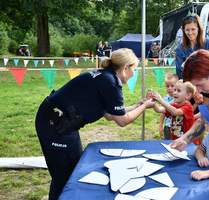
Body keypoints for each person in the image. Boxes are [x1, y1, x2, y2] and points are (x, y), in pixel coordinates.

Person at [35, 48, 155, 200]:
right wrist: (144, 107)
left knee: (74, 170)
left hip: (60, 122)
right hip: (54, 124)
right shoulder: (110, 82)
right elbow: (122, 120)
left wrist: (138, 104)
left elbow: (110, 114)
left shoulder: (106, 76)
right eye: (135, 69)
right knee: (65, 177)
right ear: (126, 68)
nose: (134, 74)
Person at [175, 14, 209, 79]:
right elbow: (179, 71)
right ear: (183, 30)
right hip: (188, 84)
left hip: (205, 82)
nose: (190, 33)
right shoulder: (180, 48)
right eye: (187, 30)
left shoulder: (207, 43)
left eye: (193, 29)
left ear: (198, 29)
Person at [158, 72, 178, 139]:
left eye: (172, 86)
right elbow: (163, 113)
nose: (169, 88)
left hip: (177, 126)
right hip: (167, 126)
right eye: (167, 86)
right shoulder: (164, 99)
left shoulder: (180, 99)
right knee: (167, 144)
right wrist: (160, 125)